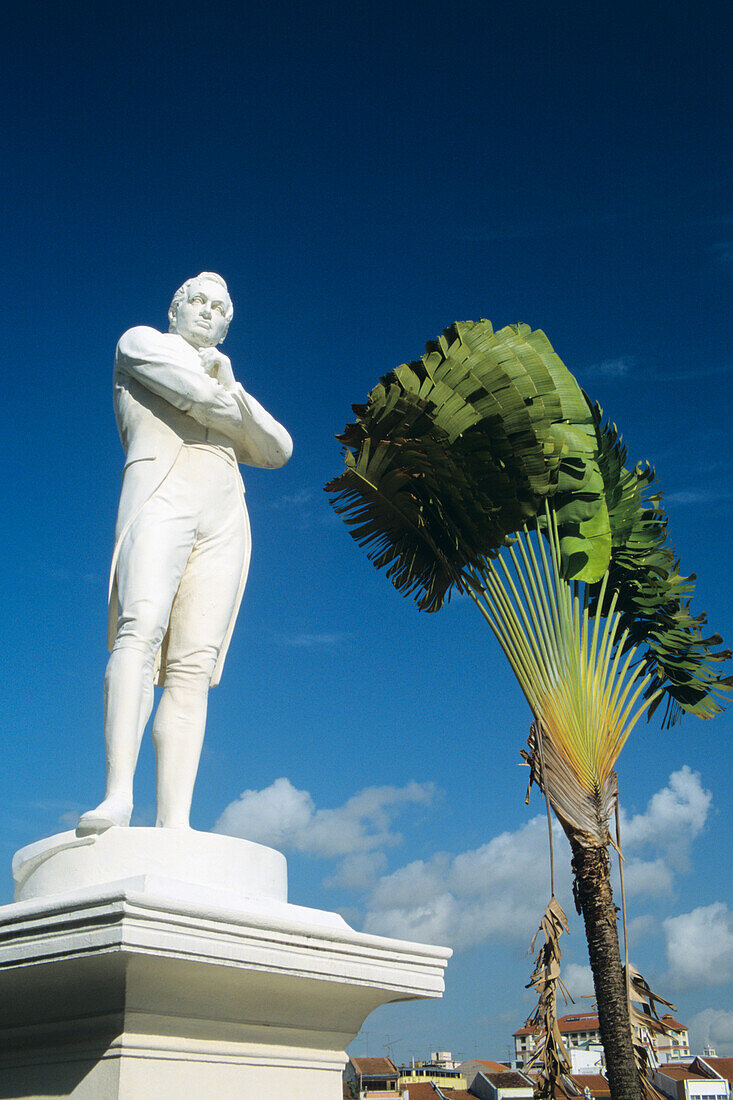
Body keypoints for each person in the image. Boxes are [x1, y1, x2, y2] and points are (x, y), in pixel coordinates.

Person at [78, 273, 292, 833]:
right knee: (140, 628)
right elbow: (191, 395)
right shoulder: (141, 341)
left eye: (219, 308)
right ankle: (118, 796)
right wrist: (230, 406)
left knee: (192, 668)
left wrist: (235, 389)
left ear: (227, 323)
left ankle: (175, 822)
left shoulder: (225, 374)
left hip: (224, 512)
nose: (207, 312)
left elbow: (278, 449)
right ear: (175, 309)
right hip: (160, 490)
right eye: (197, 301)